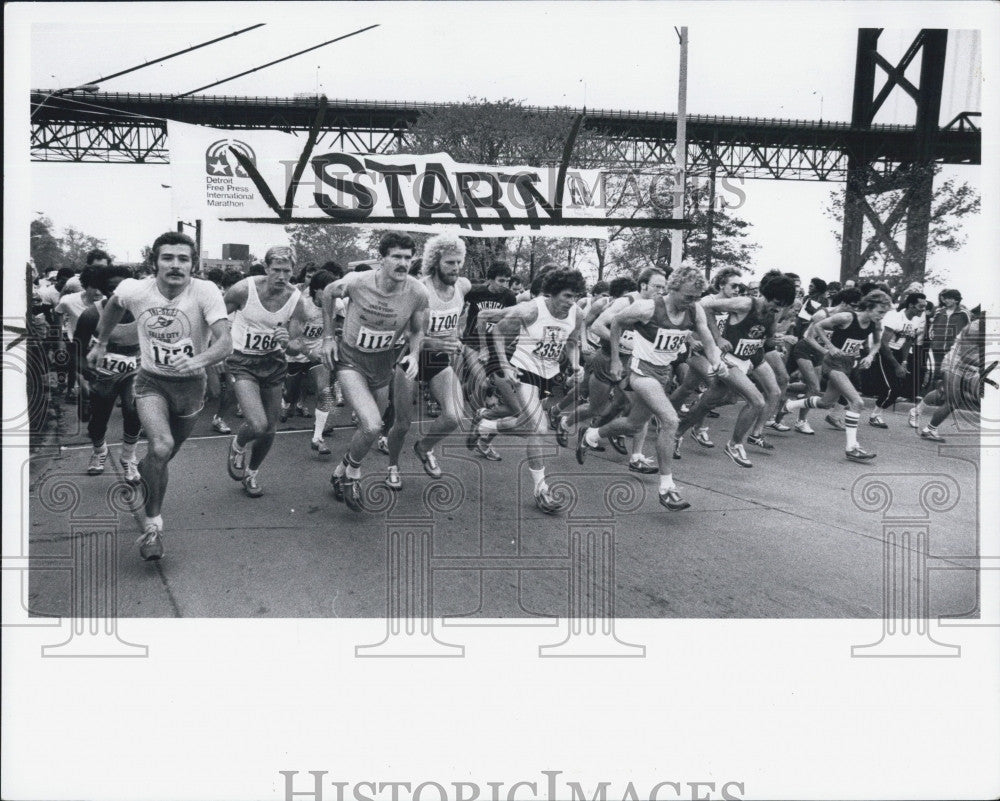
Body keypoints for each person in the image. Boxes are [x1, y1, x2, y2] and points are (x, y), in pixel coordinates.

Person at [87, 231, 232, 560]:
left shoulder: (205, 292)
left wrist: (196, 359)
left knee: (163, 456)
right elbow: (112, 305)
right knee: (161, 446)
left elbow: (225, 342)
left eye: (183, 259)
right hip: (151, 381)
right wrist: (102, 342)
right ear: (154, 263)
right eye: (168, 258)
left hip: (192, 387)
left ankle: (146, 468)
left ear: (193, 265)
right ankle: (153, 526)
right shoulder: (135, 289)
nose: (176, 265)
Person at [577, 264, 728, 511]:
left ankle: (592, 434)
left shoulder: (695, 309)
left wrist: (716, 361)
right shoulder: (647, 308)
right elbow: (615, 323)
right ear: (673, 288)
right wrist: (615, 359)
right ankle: (667, 488)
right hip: (640, 372)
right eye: (687, 296)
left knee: (634, 424)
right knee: (670, 420)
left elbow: (709, 341)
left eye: (695, 298)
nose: (691, 302)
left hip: (663, 373)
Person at [320, 233, 430, 512]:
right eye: (396, 256)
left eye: (408, 257)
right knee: (372, 425)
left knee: (369, 428)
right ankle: (353, 475)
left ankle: (339, 472)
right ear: (382, 259)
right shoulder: (358, 282)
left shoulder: (417, 292)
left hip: (383, 364)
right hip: (351, 361)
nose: (403, 262)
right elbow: (327, 293)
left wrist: (415, 354)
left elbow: (418, 330)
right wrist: (328, 337)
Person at [468, 268, 587, 513]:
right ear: (552, 294)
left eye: (575, 296)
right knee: (538, 428)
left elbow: (573, 341)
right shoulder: (531, 309)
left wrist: (575, 364)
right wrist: (500, 363)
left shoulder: (577, 312)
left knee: (528, 424)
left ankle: (486, 425)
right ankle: (541, 489)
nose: (571, 302)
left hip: (548, 374)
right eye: (566, 296)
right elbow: (497, 330)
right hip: (522, 369)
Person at [675, 270, 796, 468]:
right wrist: (717, 337)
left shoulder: (774, 312)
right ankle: (734, 444)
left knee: (710, 402)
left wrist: (778, 340)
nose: (778, 308)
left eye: (783, 305)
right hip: (726, 359)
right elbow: (704, 306)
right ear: (766, 295)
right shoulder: (746, 303)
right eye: (776, 303)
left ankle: (677, 433)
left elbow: (766, 335)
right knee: (756, 401)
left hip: (745, 360)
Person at [383, 234, 471, 490]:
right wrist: (436, 342)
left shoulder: (462, 286)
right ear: (435, 263)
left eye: (458, 262)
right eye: (449, 263)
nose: (455, 268)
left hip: (438, 360)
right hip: (410, 358)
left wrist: (456, 337)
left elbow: (459, 320)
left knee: (454, 416)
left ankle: (424, 447)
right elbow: (409, 335)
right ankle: (393, 466)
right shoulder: (420, 289)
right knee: (402, 423)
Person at [224, 246, 309, 497]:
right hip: (242, 361)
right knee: (258, 424)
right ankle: (238, 444)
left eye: (287, 271)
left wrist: (288, 341)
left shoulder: (296, 300)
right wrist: (214, 349)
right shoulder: (243, 289)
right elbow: (214, 318)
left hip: (272, 363)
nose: (282, 277)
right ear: (266, 268)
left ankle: (251, 473)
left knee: (270, 428)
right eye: (276, 270)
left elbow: (296, 348)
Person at [784, 289, 892, 462]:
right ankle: (852, 447)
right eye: (880, 312)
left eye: (884, 313)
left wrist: (870, 356)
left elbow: (878, 342)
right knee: (857, 402)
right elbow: (818, 326)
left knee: (826, 402)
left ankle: (790, 405)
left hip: (848, 363)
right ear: (869, 307)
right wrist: (830, 347)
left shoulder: (875, 324)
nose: (881, 316)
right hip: (832, 363)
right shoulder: (847, 317)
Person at [74, 265, 142, 483]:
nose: (118, 293)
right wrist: (85, 371)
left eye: (123, 287)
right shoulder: (92, 314)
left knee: (133, 411)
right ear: (105, 290)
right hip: (103, 372)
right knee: (98, 420)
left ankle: (128, 457)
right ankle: (99, 451)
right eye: (112, 289)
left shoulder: (143, 311)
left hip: (135, 369)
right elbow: (75, 350)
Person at [284, 270, 339, 454]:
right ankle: (288, 403)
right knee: (289, 394)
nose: (332, 295)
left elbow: (332, 331)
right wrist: (307, 352)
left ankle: (317, 437)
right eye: (327, 290)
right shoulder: (304, 306)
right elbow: (293, 338)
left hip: (316, 353)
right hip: (295, 354)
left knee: (324, 390)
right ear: (316, 290)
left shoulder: (333, 306)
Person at [917, 307, 991, 442]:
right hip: (955, 364)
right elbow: (966, 357)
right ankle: (929, 429)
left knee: (949, 395)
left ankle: (920, 409)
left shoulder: (989, 327)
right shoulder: (974, 329)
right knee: (953, 401)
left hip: (970, 367)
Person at [911, 289, 971, 429]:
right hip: (936, 350)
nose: (947, 301)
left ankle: (916, 411)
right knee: (935, 379)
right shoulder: (939, 312)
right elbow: (931, 328)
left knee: (943, 386)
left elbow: (968, 331)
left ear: (957, 300)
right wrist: (933, 340)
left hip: (953, 351)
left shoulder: (964, 314)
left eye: (950, 298)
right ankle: (918, 413)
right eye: (945, 298)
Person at [868, 292, 927, 427]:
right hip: (885, 352)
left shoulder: (916, 320)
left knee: (899, 389)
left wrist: (904, 362)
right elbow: (883, 344)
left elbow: (907, 342)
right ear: (911, 305)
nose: (923, 309)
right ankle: (875, 416)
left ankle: (876, 414)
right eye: (920, 306)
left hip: (898, 352)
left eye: (924, 306)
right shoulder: (895, 317)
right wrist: (896, 366)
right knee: (890, 388)